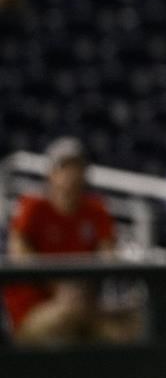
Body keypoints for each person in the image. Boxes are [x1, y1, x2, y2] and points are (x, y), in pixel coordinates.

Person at [3, 138, 137, 346]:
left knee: (135, 322)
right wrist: (60, 288)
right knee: (69, 317)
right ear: (51, 173)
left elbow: (108, 255)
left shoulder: (96, 210)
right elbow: (20, 254)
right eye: (64, 167)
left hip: (86, 306)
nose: (71, 174)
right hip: (35, 310)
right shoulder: (32, 207)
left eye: (77, 166)